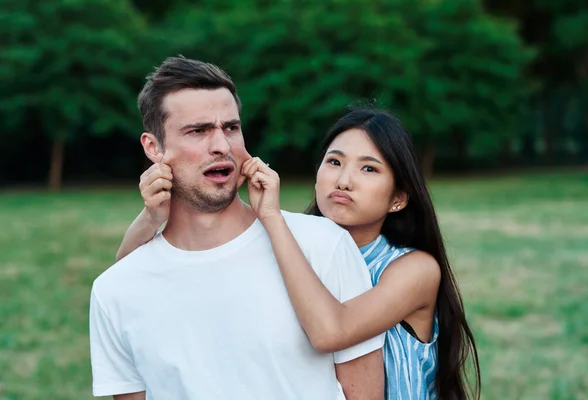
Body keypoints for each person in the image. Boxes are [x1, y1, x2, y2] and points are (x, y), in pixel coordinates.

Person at [118, 107, 482, 399]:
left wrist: (271, 218)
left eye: (368, 169)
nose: (343, 181)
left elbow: (331, 332)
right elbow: (129, 287)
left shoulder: (414, 269)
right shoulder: (294, 248)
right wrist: (152, 217)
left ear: (399, 198)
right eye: (334, 162)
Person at [89, 56, 386, 400]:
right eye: (198, 131)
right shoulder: (115, 290)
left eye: (230, 128)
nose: (222, 146)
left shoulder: (324, 245)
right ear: (153, 148)